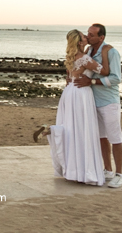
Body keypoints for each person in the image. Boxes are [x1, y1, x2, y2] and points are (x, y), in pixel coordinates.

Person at [33, 30, 106, 186]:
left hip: (69, 92)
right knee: (81, 129)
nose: (86, 37)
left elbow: (68, 76)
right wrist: (106, 52)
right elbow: (104, 70)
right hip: (81, 93)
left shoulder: (72, 58)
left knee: (70, 128)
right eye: (84, 36)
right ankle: (83, 170)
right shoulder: (85, 59)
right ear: (79, 42)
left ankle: (52, 130)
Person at [74, 23, 122, 188]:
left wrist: (92, 81)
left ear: (101, 37)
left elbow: (116, 78)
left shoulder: (111, 52)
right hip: (92, 102)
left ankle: (119, 174)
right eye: (87, 34)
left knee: (115, 138)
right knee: (102, 138)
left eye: (92, 35)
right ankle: (107, 170)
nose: (88, 37)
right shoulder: (88, 52)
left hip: (109, 101)